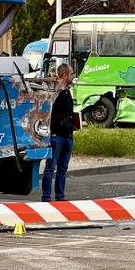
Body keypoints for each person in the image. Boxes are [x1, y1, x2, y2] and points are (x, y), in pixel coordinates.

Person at [42, 63, 76, 202]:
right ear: (65, 75)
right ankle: (46, 197)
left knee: (62, 168)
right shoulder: (56, 92)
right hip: (57, 136)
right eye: (72, 73)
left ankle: (60, 196)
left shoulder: (67, 91)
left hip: (67, 135)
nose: (74, 76)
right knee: (51, 167)